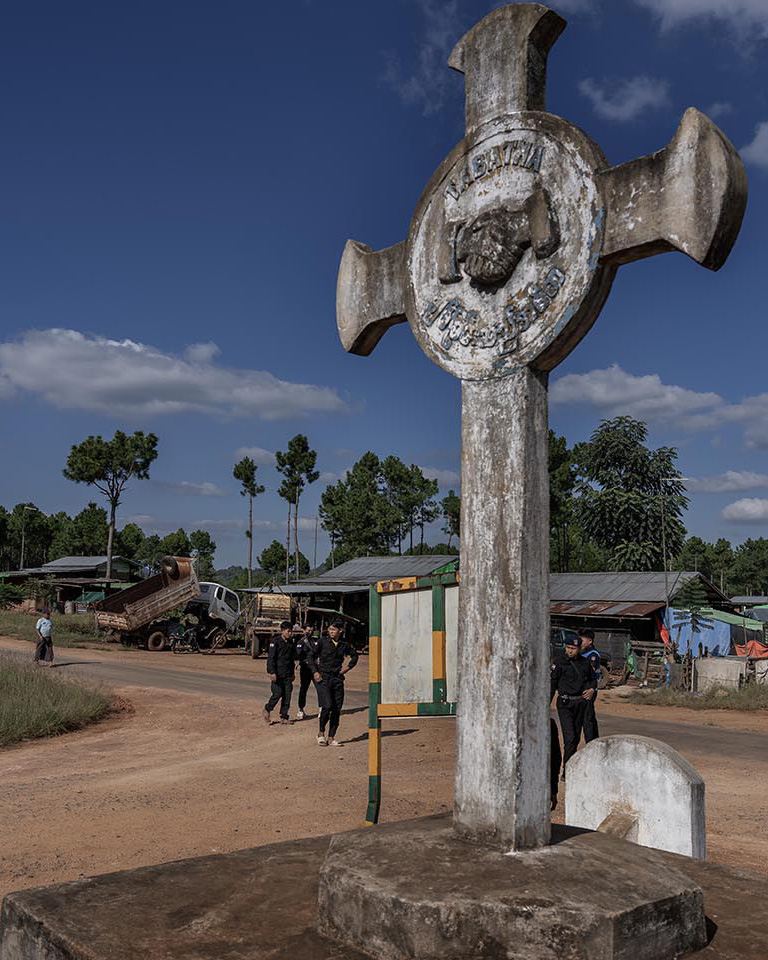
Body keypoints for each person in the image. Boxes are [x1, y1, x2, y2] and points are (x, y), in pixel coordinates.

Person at [550, 634, 595, 777]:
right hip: (565, 704)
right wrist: (546, 705)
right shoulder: (559, 663)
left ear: (579, 649)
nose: (569, 651)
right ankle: (566, 770)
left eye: (573, 648)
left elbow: (593, 680)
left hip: (580, 703)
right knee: (569, 737)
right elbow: (552, 685)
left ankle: (568, 768)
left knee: (575, 738)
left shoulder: (585, 663)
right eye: (568, 648)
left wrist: (592, 689)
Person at [308, 618, 358, 746]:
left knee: (337, 708)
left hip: (337, 678)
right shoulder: (322, 642)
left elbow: (355, 656)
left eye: (333, 629)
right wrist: (315, 672)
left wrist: (346, 669)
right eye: (330, 629)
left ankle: (331, 737)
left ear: (340, 631)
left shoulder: (344, 644)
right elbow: (310, 656)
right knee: (327, 705)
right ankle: (321, 733)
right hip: (324, 677)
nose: (331, 631)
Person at [262, 621, 297, 725]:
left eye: (291, 631)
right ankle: (267, 709)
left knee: (287, 695)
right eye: (288, 631)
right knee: (277, 694)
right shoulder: (275, 642)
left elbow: (291, 660)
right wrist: (271, 672)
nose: (290, 633)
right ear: (282, 631)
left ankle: (284, 716)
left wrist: (292, 673)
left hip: (287, 674)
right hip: (277, 673)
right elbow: (271, 658)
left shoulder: (291, 643)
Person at [579, 627, 601, 742]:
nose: (579, 642)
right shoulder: (582, 653)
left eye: (582, 640)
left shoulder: (593, 655)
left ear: (590, 641)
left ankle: (592, 741)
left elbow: (590, 673)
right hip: (581, 689)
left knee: (588, 718)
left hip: (590, 689)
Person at [295, 623, 318, 721]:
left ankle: (321, 709)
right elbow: (299, 654)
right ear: (303, 630)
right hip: (305, 668)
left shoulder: (315, 641)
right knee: (303, 689)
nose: (310, 632)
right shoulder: (301, 642)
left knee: (320, 688)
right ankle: (301, 709)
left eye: (311, 630)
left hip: (316, 669)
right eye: (308, 630)